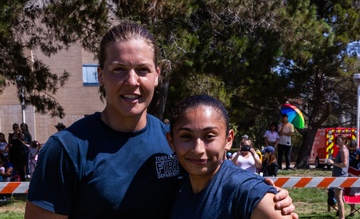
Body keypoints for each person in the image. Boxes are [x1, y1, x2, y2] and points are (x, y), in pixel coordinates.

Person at [25, 21, 297, 219]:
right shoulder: (66, 149)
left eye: (142, 70)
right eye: (119, 69)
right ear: (101, 75)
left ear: (156, 75)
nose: (132, 82)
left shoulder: (175, 140)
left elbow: (217, 179)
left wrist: (263, 193)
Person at [166, 94, 294, 219]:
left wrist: (263, 195)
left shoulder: (248, 196)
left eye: (209, 136)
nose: (198, 149)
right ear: (171, 141)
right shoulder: (173, 188)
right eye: (186, 136)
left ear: (228, 139)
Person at [328, 135, 349, 219]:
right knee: (337, 197)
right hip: (337, 176)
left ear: (344, 140)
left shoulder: (344, 151)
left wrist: (332, 163)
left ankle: (342, 217)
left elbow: (344, 164)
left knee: (339, 198)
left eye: (339, 140)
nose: (337, 141)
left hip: (341, 176)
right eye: (337, 140)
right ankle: (341, 215)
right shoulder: (340, 150)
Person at [346, 140, 360, 217]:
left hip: (357, 173)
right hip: (349, 173)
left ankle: (352, 211)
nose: (351, 150)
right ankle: (352, 211)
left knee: (355, 193)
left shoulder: (358, 151)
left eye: (352, 148)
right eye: (350, 148)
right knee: (351, 193)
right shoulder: (346, 151)